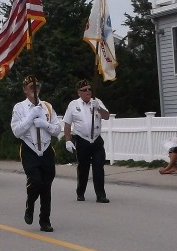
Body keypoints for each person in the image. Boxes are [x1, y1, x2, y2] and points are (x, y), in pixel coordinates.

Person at [10, 75, 61, 233]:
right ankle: (30, 205)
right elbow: (17, 132)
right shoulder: (19, 108)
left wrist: (45, 124)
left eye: (36, 87)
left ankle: (45, 221)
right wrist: (30, 118)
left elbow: (57, 129)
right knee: (36, 181)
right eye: (31, 87)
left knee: (46, 185)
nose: (34, 89)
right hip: (29, 149)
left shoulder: (47, 107)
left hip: (46, 148)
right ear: (25, 90)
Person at [63, 79, 111, 203]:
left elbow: (106, 116)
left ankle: (100, 195)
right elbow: (67, 124)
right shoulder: (73, 105)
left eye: (89, 89)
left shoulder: (97, 102)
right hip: (82, 140)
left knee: (98, 167)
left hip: (96, 140)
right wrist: (68, 141)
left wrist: (99, 108)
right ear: (79, 92)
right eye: (85, 90)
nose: (88, 92)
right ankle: (80, 192)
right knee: (83, 168)